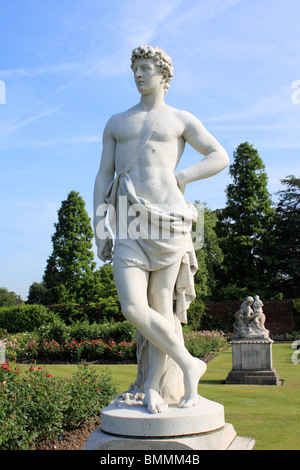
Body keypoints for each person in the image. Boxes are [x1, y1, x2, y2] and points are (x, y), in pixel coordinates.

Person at [93, 46, 229, 414]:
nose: (138, 75)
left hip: (169, 220)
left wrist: (182, 176)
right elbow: (104, 174)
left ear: (163, 75)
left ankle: (152, 387)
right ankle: (189, 363)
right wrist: (99, 224)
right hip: (128, 223)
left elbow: (219, 155)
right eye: (135, 68)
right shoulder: (117, 122)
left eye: (146, 68)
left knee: (160, 305)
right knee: (134, 308)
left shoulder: (180, 119)